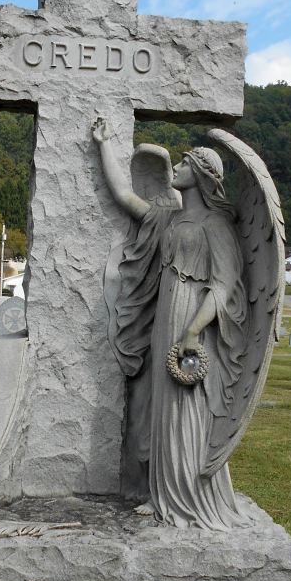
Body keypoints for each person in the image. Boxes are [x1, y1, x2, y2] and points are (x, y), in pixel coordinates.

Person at [93, 117, 254, 531]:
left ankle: (188, 496)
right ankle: (163, 493)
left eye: (184, 165)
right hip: (167, 311)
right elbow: (125, 196)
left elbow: (223, 287)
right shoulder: (168, 219)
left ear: (200, 176)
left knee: (188, 407)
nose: (176, 170)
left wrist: (193, 331)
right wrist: (102, 145)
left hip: (193, 321)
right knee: (163, 405)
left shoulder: (216, 226)